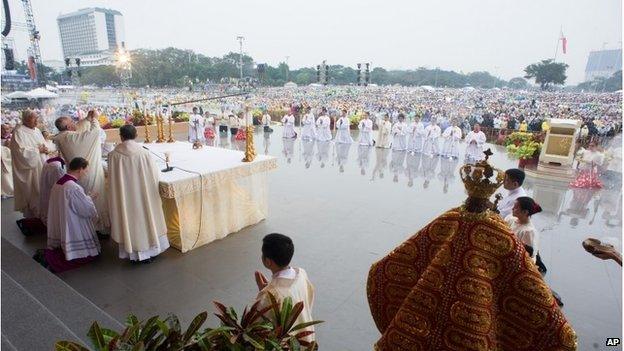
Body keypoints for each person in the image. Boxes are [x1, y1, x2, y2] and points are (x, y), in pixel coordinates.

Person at [367, 155, 575, 351]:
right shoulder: (497, 228)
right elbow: (519, 271)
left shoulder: (452, 216)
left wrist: (381, 269)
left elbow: (418, 245)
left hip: (435, 288)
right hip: (477, 302)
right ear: (488, 198)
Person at [107, 125, 169, 262]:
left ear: (121, 136)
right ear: (136, 135)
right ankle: (151, 251)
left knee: (128, 220)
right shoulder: (144, 153)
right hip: (144, 195)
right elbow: (154, 176)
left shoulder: (113, 155)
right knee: (148, 217)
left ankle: (134, 255)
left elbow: (112, 181)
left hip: (125, 198)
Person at [41, 157, 100, 273]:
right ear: (80, 169)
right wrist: (91, 198)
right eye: (86, 170)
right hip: (72, 223)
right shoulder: (73, 187)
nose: (86, 173)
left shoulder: (60, 182)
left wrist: (85, 198)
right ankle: (51, 261)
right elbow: (84, 209)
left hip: (63, 219)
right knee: (90, 255)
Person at [254, 233, 316, 342]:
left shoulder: (271, 294)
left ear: (268, 262)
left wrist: (265, 292)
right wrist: (268, 288)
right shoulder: (301, 273)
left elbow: (256, 324)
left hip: (289, 344)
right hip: (306, 336)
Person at [54, 113, 109, 233]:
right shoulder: (71, 138)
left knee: (82, 202)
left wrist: (87, 119)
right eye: (72, 122)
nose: (75, 123)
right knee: (94, 200)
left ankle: (87, 227)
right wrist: (94, 119)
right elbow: (94, 133)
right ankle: (97, 228)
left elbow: (79, 129)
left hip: (76, 176)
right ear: (68, 127)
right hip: (89, 173)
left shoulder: (61, 137)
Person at [10, 110, 49, 235]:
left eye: (37, 118)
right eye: (34, 119)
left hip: (41, 164)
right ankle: (32, 222)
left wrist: (46, 148)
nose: (37, 121)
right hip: (30, 169)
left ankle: (42, 219)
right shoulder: (19, 132)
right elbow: (20, 152)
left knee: (42, 191)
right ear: (25, 119)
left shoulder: (37, 130)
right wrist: (38, 149)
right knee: (33, 193)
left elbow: (42, 144)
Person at [506, 196, 547, 273]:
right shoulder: (510, 219)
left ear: (525, 212)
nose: (512, 209)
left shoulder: (528, 231)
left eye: (516, 208)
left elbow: (528, 256)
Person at [38, 156, 66, 225]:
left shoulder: (50, 162)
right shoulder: (56, 166)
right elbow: (59, 188)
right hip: (54, 196)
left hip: (48, 193)